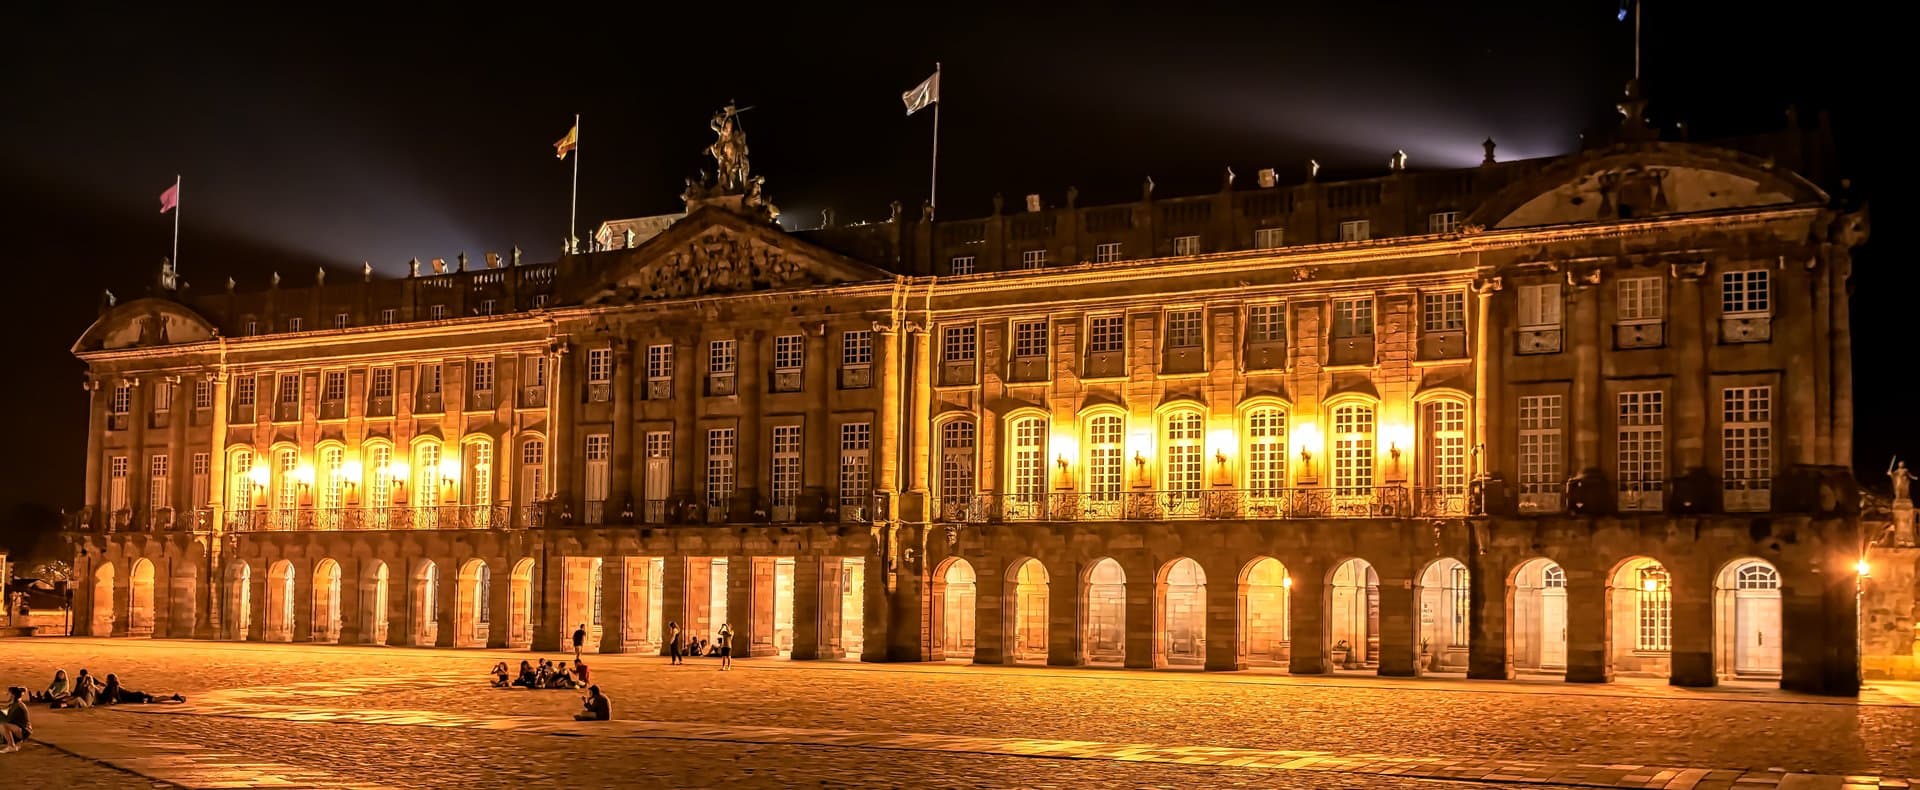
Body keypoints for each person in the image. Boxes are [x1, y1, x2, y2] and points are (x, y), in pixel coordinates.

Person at [97, 674, 185, 705]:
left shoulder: (114, 686)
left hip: (136, 696)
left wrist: (119, 702)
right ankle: (173, 697)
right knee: (155, 698)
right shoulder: (114, 685)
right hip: (136, 695)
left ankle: (173, 697)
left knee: (154, 699)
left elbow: (116, 695)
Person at [2, 686, 29, 753]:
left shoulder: (17, 706)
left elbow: (8, 719)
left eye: (9, 693)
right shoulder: (16, 703)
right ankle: (13, 741)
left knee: (3, 725)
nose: (7, 694)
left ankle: (11, 746)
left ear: (13, 695)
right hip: (20, 729)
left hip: (23, 731)